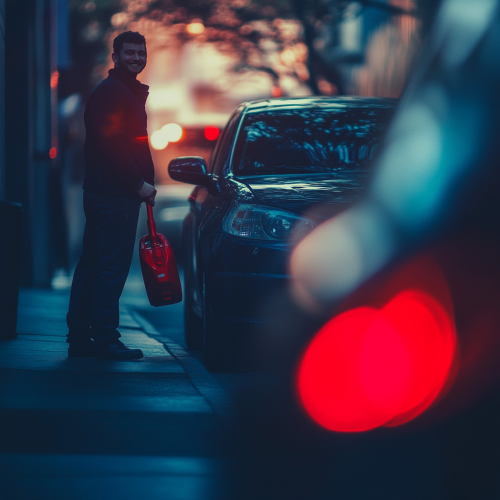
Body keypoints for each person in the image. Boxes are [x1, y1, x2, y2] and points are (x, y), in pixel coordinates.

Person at [66, 31, 156, 360]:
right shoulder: (113, 93)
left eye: (140, 52)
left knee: (93, 265)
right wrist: (138, 184)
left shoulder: (121, 91)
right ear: (115, 57)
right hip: (114, 195)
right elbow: (113, 145)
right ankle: (104, 337)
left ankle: (80, 336)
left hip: (106, 193)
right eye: (129, 52)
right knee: (109, 268)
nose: (136, 57)